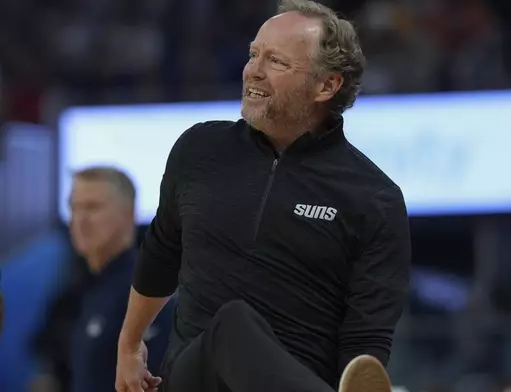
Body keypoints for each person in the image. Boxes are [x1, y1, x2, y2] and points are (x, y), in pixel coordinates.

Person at [116, 0, 411, 391]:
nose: (253, 70)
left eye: (276, 61)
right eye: (254, 54)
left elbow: (365, 341)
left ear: (327, 85)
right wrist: (130, 345)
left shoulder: (375, 198)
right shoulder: (199, 149)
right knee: (233, 323)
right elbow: (161, 254)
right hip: (195, 379)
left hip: (301, 376)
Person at [33, 167, 174, 392]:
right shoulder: (83, 289)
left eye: (92, 207)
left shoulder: (145, 289)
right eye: (74, 207)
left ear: (129, 213)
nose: (80, 219)